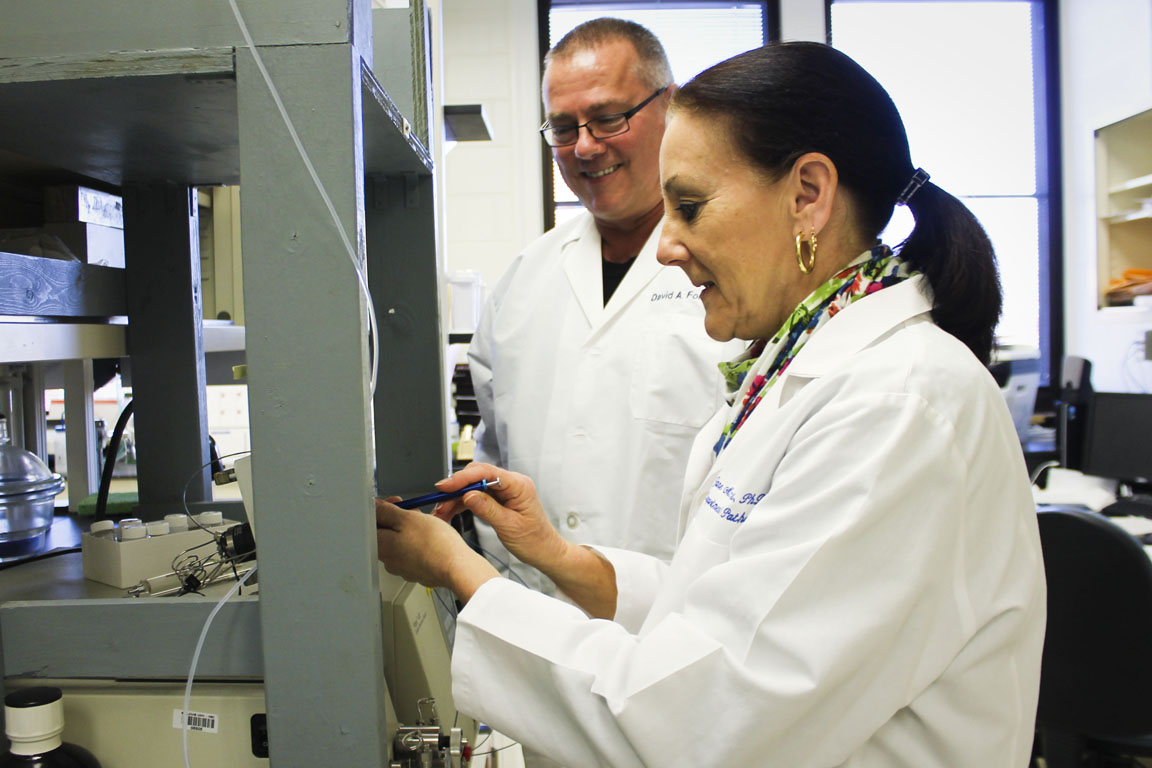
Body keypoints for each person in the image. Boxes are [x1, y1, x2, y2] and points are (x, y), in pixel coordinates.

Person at [378, 42, 1045, 767]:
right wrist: (561, 557)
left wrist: (463, 574)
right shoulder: (793, 371)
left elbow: (704, 721)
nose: (666, 246)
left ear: (808, 194)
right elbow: (715, 606)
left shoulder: (899, 404)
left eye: (689, 207)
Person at [466, 19, 742, 591]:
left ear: (669, 106)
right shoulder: (522, 282)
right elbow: (496, 459)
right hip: (537, 626)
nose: (586, 147)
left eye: (609, 118)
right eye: (564, 128)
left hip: (682, 630)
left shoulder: (738, 275)